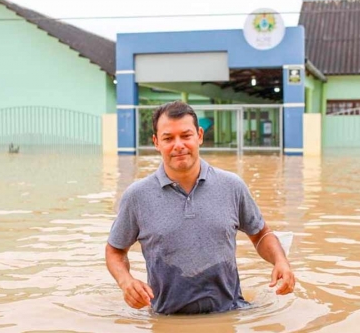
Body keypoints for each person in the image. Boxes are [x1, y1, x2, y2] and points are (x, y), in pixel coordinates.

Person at [105, 101, 295, 315]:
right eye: (168, 138)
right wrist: (126, 281)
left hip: (229, 314)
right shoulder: (137, 196)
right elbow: (115, 250)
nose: (178, 145)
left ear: (200, 136)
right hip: (167, 320)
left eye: (186, 135)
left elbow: (261, 234)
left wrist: (280, 261)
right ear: (156, 142)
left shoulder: (232, 186)